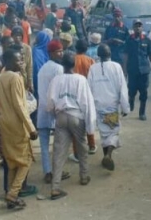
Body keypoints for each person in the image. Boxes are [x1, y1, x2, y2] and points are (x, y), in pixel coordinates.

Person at [46, 52, 97, 201]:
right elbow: (87, 103)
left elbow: (50, 102)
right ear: (74, 65)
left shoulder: (56, 80)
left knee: (59, 151)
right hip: (77, 116)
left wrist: (53, 112)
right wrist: (90, 126)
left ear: (63, 65)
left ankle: (55, 187)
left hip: (61, 116)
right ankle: (84, 175)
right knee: (81, 147)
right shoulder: (81, 80)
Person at [0, 50, 38, 210]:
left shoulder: (0, 78)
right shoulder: (15, 77)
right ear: (9, 61)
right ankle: (13, 194)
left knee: (12, 161)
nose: (22, 63)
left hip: (4, 122)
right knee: (25, 160)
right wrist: (31, 128)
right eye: (19, 60)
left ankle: (10, 193)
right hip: (17, 123)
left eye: (22, 60)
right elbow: (20, 105)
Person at [87, 44, 130, 172]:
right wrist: (125, 107)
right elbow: (122, 88)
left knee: (104, 132)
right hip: (112, 106)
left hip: (98, 106)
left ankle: (106, 156)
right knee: (113, 132)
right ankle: (108, 154)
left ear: (98, 55)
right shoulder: (116, 67)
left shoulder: (93, 68)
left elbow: (89, 88)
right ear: (110, 53)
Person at [36, 40, 66, 184]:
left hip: (42, 109)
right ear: (51, 53)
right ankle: (56, 171)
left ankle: (48, 171)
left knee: (44, 144)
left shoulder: (42, 69)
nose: (61, 53)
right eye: (59, 51)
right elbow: (59, 92)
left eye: (61, 51)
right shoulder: (58, 69)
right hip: (54, 110)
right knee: (59, 144)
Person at [124, 19, 151, 121]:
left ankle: (142, 112)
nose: (138, 28)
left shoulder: (147, 40)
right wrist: (124, 70)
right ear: (133, 28)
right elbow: (126, 55)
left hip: (144, 71)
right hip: (132, 70)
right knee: (131, 91)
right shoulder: (129, 40)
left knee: (144, 93)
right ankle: (131, 101)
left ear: (142, 28)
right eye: (136, 26)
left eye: (139, 26)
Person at [11, 26, 34, 92]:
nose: (17, 37)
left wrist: (30, 82)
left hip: (24, 77)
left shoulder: (27, 48)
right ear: (12, 36)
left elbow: (29, 66)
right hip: (13, 77)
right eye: (15, 35)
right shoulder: (10, 47)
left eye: (19, 35)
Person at [32, 30, 52, 100]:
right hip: (48, 79)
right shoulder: (49, 51)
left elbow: (35, 67)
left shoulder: (35, 50)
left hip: (37, 78)